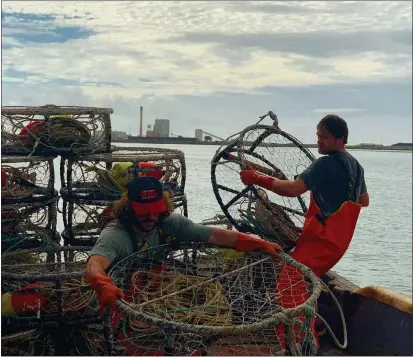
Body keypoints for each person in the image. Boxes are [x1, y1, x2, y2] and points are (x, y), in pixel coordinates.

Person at [240, 114, 369, 353]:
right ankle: (316, 326)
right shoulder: (356, 166)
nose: (319, 142)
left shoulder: (325, 164)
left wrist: (256, 178)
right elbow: (364, 201)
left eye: (325, 137)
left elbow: (293, 189)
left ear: (341, 139)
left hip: (320, 241)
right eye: (318, 136)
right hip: (337, 245)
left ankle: (302, 346)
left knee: (289, 285)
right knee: (305, 285)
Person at [86, 176, 283, 311]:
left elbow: (213, 235)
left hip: (157, 293)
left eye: (155, 209)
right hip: (120, 298)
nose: (151, 216)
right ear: (129, 208)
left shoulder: (170, 223)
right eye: (144, 210)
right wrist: (103, 285)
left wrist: (258, 243)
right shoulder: (116, 234)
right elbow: (95, 264)